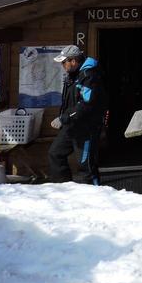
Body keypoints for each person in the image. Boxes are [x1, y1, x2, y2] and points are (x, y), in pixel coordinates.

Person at [48, 45, 106, 185]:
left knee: (86, 166)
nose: (62, 65)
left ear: (73, 61)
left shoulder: (89, 76)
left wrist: (64, 118)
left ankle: (96, 197)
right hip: (71, 125)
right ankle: (64, 189)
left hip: (86, 129)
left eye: (64, 62)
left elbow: (86, 104)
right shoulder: (72, 75)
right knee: (55, 153)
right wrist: (64, 118)